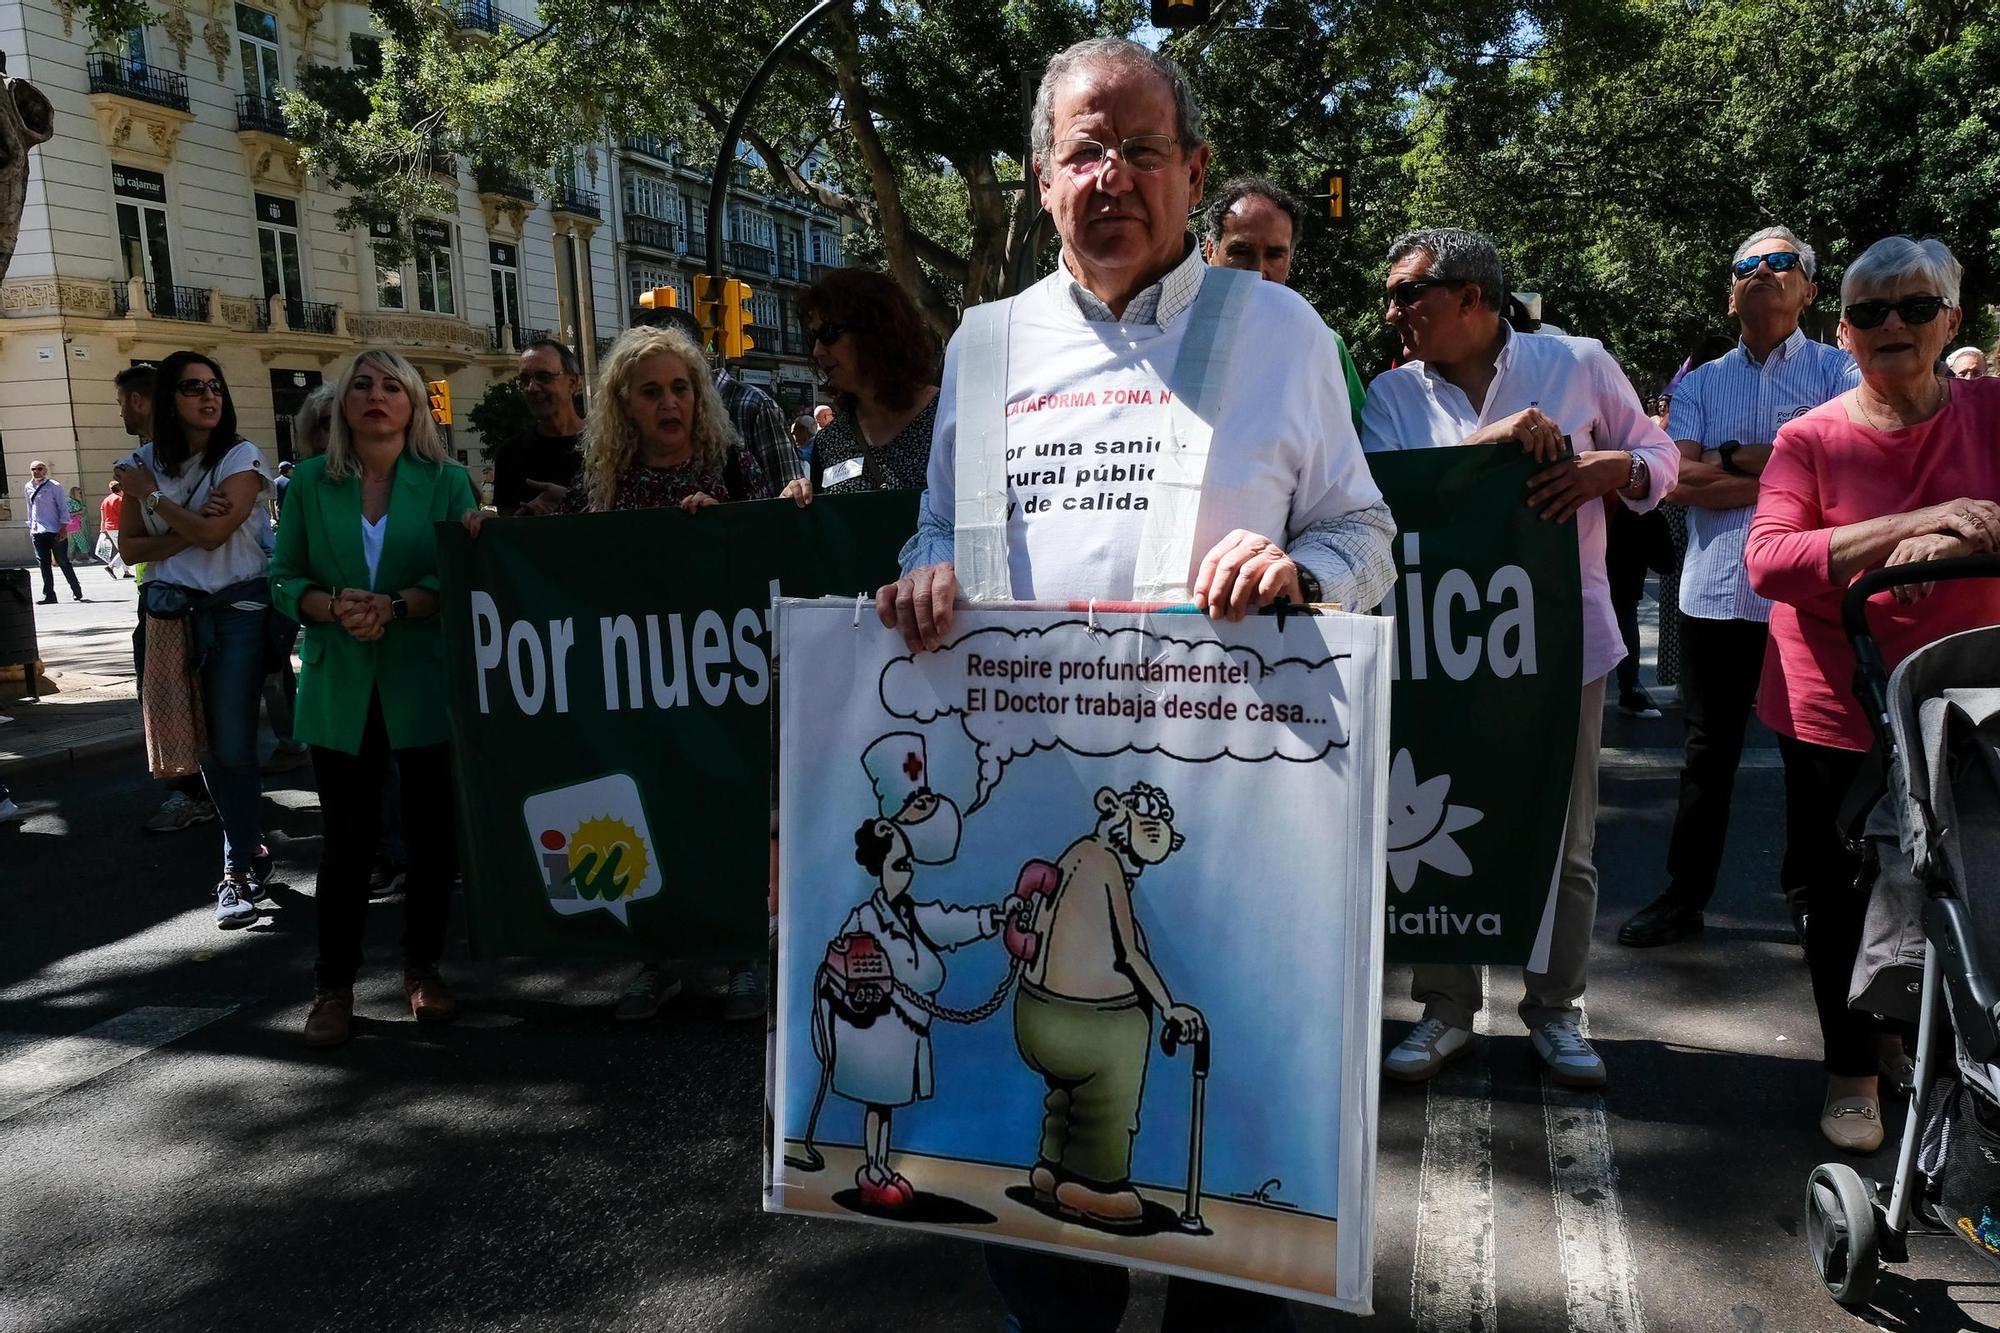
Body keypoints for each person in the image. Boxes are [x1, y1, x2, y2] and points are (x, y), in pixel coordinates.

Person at [879, 37, 1394, 1332]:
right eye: (1083, 150)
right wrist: (927, 577)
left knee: (1234, 1250)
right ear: (1042, 177)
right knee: (1043, 1248)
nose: (1113, 175)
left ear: (1193, 170)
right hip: (1033, 837)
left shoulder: (1283, 330)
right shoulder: (986, 348)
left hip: (1237, 851)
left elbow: (1368, 539)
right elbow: (935, 530)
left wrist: (1298, 570)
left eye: (1141, 149)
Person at [1360, 227, 1680, 1089]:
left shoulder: (1577, 363)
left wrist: (1614, 468)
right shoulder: (1392, 393)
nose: (1393, 312)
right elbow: (1384, 495)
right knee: (1433, 825)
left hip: (1562, 644)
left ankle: (1557, 1008)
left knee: (1562, 840)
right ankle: (1446, 1008)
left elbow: (1661, 456)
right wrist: (1492, 441)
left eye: (1408, 293)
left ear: (1473, 298)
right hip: (1440, 647)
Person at [1745, 236, 2000, 1153]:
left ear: (1952, 322)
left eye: (1915, 307)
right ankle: (1854, 1064)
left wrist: (1962, 539)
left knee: (1969, 879)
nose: (1892, 325)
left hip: (1976, 694)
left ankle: (1942, 1047)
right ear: (1843, 332)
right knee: (1841, 889)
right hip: (1838, 700)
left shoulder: (1993, 411)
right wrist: (1909, 527)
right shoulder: (1808, 439)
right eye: (1868, 312)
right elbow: (1770, 559)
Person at [466, 324, 774, 1023]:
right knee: (654, 806)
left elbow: (766, 547)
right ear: (623, 404)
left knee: (730, 809)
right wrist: (492, 536)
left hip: (725, 676)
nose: (670, 403)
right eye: (651, 391)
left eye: (681, 388)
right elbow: (566, 566)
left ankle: (744, 955)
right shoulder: (604, 478)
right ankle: (659, 957)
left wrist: (731, 522)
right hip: (640, 685)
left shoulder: (731, 464)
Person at [1619, 227, 1858, 948]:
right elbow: (1676, 481)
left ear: (1810, 289)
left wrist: (1726, 461)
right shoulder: (1699, 382)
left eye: (1782, 262)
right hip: (1717, 595)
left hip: (1807, 596)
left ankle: (1811, 894)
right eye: (1747, 265)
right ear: (1731, 294)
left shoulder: (1840, 373)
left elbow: (1844, 472)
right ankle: (1685, 894)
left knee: (1810, 760)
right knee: (1706, 756)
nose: (1763, 272)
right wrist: (1786, 465)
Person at [271, 349, 477, 1047]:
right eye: (362, 384)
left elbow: (461, 576)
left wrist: (397, 604)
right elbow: (281, 576)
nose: (376, 395)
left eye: (393, 385)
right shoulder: (306, 483)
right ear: (344, 405)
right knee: (347, 845)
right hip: (339, 682)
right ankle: (334, 986)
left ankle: (423, 970)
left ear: (416, 405)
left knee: (429, 839)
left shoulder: (449, 482)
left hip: (421, 677)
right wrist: (329, 605)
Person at [113, 351, 276, 928]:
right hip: (171, 617)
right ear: (167, 399)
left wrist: (158, 502)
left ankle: (237, 869)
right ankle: (251, 848)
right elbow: (131, 549)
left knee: (231, 744)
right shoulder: (137, 463)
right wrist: (192, 528)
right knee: (200, 745)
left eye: (215, 387)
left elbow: (215, 534)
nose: (209, 397)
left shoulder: (240, 456)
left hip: (237, 611)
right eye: (192, 388)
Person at [1201, 176, 1366, 431]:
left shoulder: (1324, 344)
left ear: (1290, 260)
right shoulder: (1173, 334)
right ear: (1211, 250)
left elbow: (1357, 445)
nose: (1258, 270)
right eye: (1241, 251)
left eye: (1275, 255)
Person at [795, 269, 941, 498]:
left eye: (829, 333)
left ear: (876, 331)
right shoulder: (829, 442)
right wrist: (794, 506)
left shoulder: (949, 418)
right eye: (813, 338)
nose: (817, 351)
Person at [491, 338, 586, 514]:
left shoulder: (607, 445)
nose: (532, 388)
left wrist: (568, 501)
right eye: (525, 379)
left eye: (544, 377)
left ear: (572, 383)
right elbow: (507, 530)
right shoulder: (510, 454)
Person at [24, 461, 84, 603]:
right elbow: (29, 508)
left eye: (39, 469)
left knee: (63, 561)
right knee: (43, 563)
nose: (36, 471)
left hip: (55, 530)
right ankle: (49, 594)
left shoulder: (54, 486)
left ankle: (76, 590)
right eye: (33, 469)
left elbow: (63, 508)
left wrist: (63, 527)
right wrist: (31, 528)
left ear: (45, 471)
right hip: (38, 531)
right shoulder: (28, 487)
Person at [98, 481, 129, 578]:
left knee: (122, 549)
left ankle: (126, 571)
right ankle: (111, 566)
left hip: (109, 528)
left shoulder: (105, 500)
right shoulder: (120, 499)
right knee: (125, 550)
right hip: (120, 527)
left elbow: (103, 517)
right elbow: (125, 515)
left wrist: (102, 530)